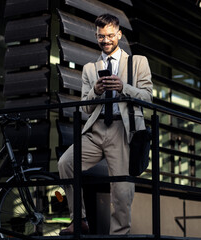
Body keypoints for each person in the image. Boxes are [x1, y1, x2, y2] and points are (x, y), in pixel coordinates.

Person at [57, 13, 153, 235]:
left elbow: (147, 98)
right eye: (101, 36)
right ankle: (79, 219)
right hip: (96, 129)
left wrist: (122, 87)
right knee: (66, 163)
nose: (106, 40)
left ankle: (119, 235)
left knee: (121, 190)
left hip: (122, 130)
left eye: (110, 35)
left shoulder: (137, 62)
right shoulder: (90, 68)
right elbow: (85, 107)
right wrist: (96, 91)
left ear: (119, 34)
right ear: (96, 36)